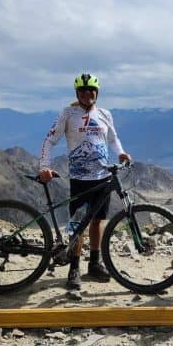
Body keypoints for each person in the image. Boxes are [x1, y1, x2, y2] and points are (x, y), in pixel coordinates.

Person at [39, 73, 132, 290]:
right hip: (80, 179)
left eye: (91, 90)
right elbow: (50, 140)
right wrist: (44, 166)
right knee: (77, 225)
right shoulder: (68, 113)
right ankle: (74, 268)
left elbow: (113, 139)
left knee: (97, 221)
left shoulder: (105, 114)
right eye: (82, 90)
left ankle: (94, 264)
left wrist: (120, 153)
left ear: (97, 93)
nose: (87, 94)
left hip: (102, 177)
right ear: (77, 93)